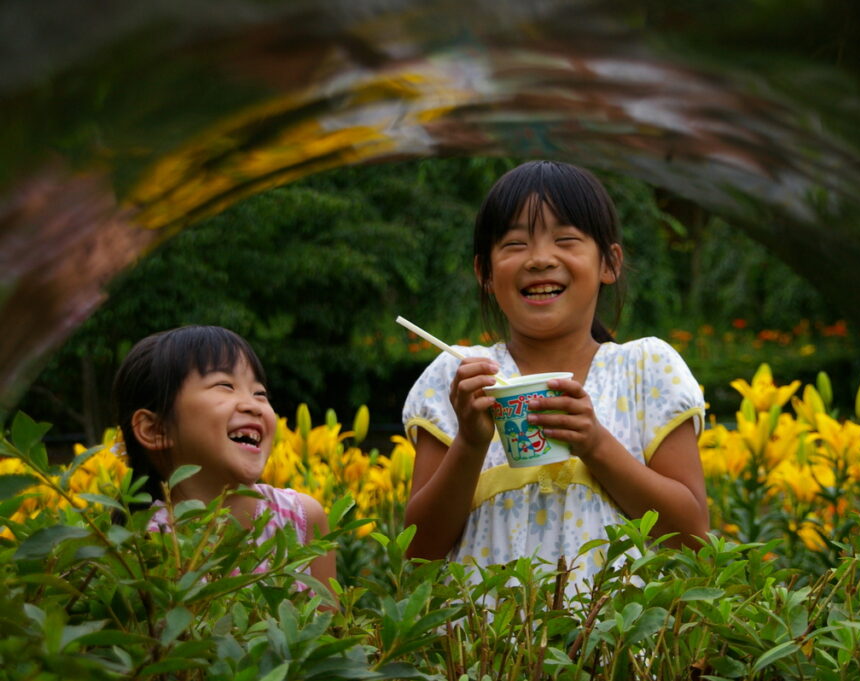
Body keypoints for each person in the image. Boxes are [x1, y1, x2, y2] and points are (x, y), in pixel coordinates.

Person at [402, 160, 708, 582]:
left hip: (613, 644)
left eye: (566, 239)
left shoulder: (646, 371)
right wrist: (471, 444)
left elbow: (692, 537)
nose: (540, 259)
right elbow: (418, 552)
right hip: (484, 646)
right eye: (514, 244)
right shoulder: (457, 377)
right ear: (484, 273)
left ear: (610, 263)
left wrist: (597, 444)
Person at [113, 325, 336, 594]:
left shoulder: (301, 518)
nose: (253, 405)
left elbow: (331, 631)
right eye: (225, 386)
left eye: (260, 393)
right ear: (155, 430)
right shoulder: (144, 544)